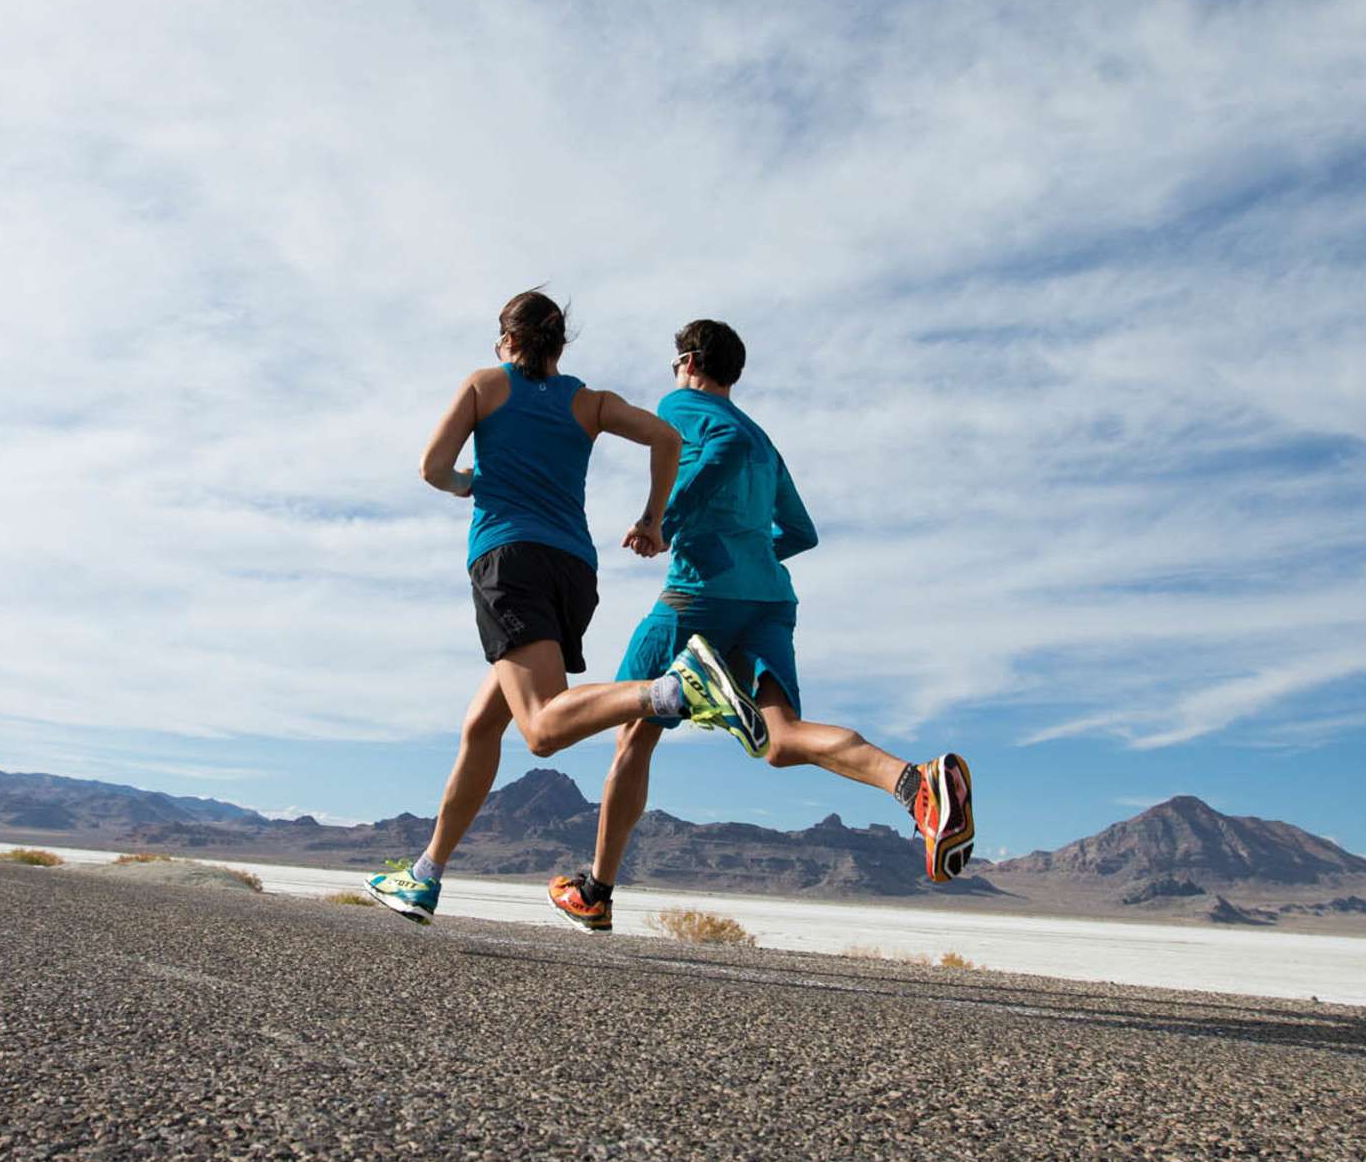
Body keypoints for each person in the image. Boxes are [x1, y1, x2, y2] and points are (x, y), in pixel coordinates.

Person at [545, 318, 973, 933]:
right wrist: (753, 556)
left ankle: (596, 890)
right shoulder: (764, 438)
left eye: (674, 365)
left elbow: (720, 454)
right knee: (780, 739)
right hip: (770, 601)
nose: (672, 376)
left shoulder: (681, 405)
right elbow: (801, 532)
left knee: (635, 730)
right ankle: (915, 784)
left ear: (689, 362)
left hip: (700, 596)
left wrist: (661, 521)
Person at [364, 291, 770, 924]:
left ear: (508, 340)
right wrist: (651, 518)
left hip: (510, 561)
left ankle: (670, 690)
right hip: (573, 572)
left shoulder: (485, 384)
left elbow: (431, 467)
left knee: (542, 728)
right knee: (482, 725)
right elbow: (665, 440)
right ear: (560, 346)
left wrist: (471, 482)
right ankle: (425, 875)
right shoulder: (591, 402)